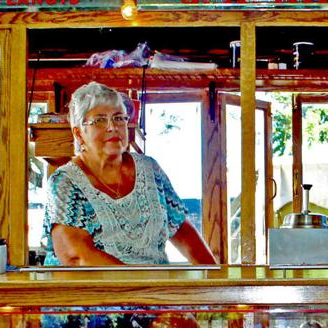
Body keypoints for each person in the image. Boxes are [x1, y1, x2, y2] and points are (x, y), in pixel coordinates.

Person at [43, 81, 216, 266]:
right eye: (99, 120)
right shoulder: (65, 182)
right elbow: (75, 256)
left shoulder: (150, 169)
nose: (112, 127)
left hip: (153, 289)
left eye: (118, 118)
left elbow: (181, 229)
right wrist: (138, 289)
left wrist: (215, 278)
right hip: (92, 291)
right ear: (79, 133)